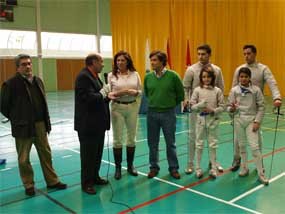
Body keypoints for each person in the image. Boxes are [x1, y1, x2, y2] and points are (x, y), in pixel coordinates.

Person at [0, 54, 67, 196]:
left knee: (46, 154)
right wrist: (17, 119)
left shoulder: (38, 81)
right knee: (24, 158)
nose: (28, 66)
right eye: (24, 64)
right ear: (18, 68)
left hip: (40, 125)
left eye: (29, 63)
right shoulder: (10, 84)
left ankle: (52, 181)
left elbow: (43, 103)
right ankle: (28, 185)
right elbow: (4, 106)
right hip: (23, 127)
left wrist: (47, 123)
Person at [231, 45, 282, 171]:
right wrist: (232, 110)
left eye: (248, 53)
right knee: (237, 138)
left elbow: (272, 82)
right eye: (244, 54)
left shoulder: (263, 69)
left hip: (255, 110)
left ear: (255, 54)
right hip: (240, 111)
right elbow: (233, 88)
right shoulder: (239, 69)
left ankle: (259, 164)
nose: (246, 56)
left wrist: (277, 97)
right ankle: (237, 160)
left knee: (256, 138)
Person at [183, 44, 224, 174]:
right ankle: (191, 163)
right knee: (193, 137)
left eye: (203, 54)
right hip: (196, 109)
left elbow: (221, 88)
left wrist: (216, 109)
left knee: (212, 138)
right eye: (199, 54)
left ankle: (213, 162)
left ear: (209, 55)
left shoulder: (217, 70)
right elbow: (186, 87)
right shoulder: (191, 69)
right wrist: (186, 100)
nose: (200, 56)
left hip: (212, 110)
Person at [144, 50, 184, 179]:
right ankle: (153, 167)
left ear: (162, 62)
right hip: (152, 114)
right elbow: (147, 93)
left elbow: (180, 95)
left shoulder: (173, 76)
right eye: (151, 60)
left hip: (168, 114)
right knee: (152, 143)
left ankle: (173, 168)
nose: (152, 63)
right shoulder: (148, 77)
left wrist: (169, 104)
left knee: (170, 143)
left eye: (155, 60)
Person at [74, 53, 110, 194]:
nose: (102, 64)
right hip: (88, 124)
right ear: (93, 62)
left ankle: (95, 177)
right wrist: (103, 93)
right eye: (101, 61)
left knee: (97, 153)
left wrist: (107, 97)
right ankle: (87, 183)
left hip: (98, 123)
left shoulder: (95, 76)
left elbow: (99, 98)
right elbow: (88, 98)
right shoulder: (83, 77)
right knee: (88, 155)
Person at [228, 67, 269, 185]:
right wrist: (232, 109)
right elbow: (229, 107)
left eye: (246, 76)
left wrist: (257, 121)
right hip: (238, 120)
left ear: (249, 77)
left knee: (255, 147)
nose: (243, 79)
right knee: (241, 146)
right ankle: (244, 168)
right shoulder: (234, 90)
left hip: (251, 120)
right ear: (238, 78)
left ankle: (261, 173)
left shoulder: (256, 90)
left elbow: (261, 106)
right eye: (241, 76)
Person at [108, 51, 142, 180]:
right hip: (117, 108)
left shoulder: (135, 74)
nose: (120, 63)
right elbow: (110, 94)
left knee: (132, 138)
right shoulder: (111, 75)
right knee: (117, 139)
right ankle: (118, 168)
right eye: (118, 60)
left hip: (132, 107)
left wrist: (135, 92)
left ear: (128, 61)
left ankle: (130, 166)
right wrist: (123, 92)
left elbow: (140, 92)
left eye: (122, 60)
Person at [190, 65, 224, 179]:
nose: (206, 79)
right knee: (199, 144)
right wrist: (200, 105)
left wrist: (213, 110)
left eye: (208, 77)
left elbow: (222, 107)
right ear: (201, 78)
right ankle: (198, 168)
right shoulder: (197, 90)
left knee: (213, 145)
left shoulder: (217, 91)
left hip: (213, 120)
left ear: (212, 78)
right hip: (200, 121)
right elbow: (192, 107)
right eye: (204, 77)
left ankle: (213, 168)